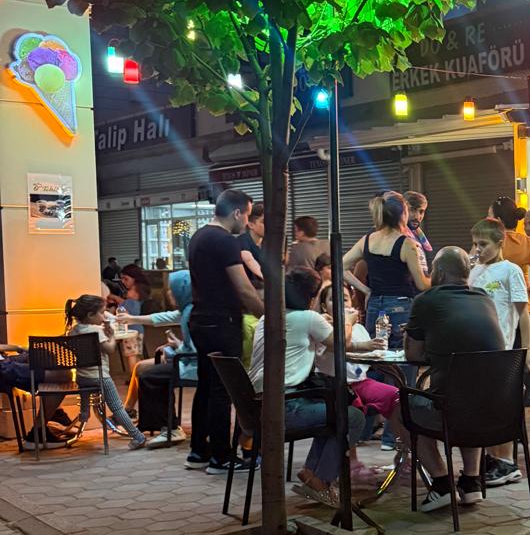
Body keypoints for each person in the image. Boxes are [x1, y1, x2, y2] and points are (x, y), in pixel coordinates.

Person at [247, 269, 366, 506]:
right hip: (284, 409)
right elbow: (340, 343)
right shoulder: (308, 318)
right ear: (311, 298)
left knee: (332, 413)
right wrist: (349, 320)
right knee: (352, 417)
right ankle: (321, 480)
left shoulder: (268, 318)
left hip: (255, 408)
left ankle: (313, 474)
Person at [404, 246, 506, 510]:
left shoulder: (425, 300)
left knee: (399, 406)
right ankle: (471, 482)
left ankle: (441, 484)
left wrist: (424, 336)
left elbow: (413, 354)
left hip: (452, 409)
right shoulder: (484, 297)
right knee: (470, 393)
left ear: (438, 271)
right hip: (499, 410)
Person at [187, 189, 264, 474]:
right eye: (247, 215)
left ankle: (199, 450)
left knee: (206, 386)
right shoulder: (225, 241)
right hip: (222, 322)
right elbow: (243, 288)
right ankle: (221, 457)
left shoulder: (199, 236)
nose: (247, 222)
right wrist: (268, 317)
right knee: (222, 389)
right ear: (237, 213)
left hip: (200, 319)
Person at [469, 219, 530, 489]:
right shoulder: (474, 271)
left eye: (483, 244)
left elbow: (523, 313)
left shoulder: (511, 270)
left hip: (502, 349)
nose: (478, 249)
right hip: (477, 350)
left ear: (499, 243)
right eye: (475, 244)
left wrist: (527, 349)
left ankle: (507, 461)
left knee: (501, 406)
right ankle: (490, 458)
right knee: (483, 406)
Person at [314, 281, 393, 492]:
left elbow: (368, 357)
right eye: (333, 299)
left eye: (345, 299)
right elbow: (338, 347)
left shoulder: (358, 328)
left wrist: (375, 346)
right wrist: (359, 343)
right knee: (351, 407)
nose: (341, 303)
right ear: (324, 306)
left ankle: (406, 456)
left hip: (361, 382)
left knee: (397, 397)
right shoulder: (322, 327)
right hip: (334, 386)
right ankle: (350, 463)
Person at [122, 270, 196, 446]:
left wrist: (175, 348)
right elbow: (163, 317)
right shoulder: (188, 309)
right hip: (187, 360)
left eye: (172, 289)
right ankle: (158, 424)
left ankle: (169, 427)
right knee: (145, 371)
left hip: (193, 364)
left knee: (149, 376)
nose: (169, 294)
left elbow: (194, 349)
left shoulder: (193, 312)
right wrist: (132, 318)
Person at [62, 294, 147, 447]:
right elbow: (109, 349)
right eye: (102, 313)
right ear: (90, 315)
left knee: (86, 390)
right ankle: (137, 436)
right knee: (117, 407)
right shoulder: (96, 331)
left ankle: (84, 414)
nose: (104, 316)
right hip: (100, 377)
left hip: (81, 378)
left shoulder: (73, 331)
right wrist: (112, 335)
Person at [343, 192, 430, 339]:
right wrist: (438, 278)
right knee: (400, 350)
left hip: (374, 305)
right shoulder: (407, 244)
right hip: (400, 306)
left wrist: (366, 290)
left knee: (375, 348)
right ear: (403, 214)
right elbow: (421, 284)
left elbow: (340, 267)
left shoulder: (367, 240)